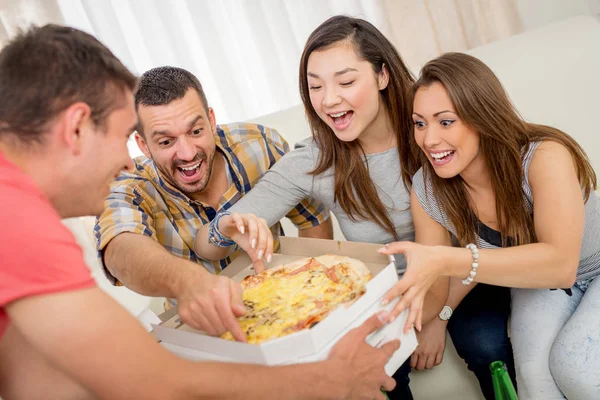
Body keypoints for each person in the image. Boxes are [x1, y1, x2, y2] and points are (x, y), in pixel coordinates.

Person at [0, 24, 398, 400]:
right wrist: (330, 379)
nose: (126, 162)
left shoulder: (14, 205)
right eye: (125, 138)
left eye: (194, 131)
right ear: (76, 129)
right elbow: (155, 380)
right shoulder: (17, 221)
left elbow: (35, 382)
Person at [194, 16, 514, 399]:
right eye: (315, 87)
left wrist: (438, 318)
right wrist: (226, 226)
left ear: (382, 75)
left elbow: (490, 229)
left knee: (485, 344)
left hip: (470, 272)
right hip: (391, 292)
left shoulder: (431, 125)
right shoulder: (314, 160)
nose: (329, 99)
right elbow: (207, 245)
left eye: (345, 82)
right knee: (372, 368)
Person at [380, 52, 600, 399]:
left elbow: (560, 266)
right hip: (544, 285)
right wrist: (390, 316)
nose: (429, 140)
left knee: (574, 366)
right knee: (532, 380)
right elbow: (436, 290)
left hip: (584, 268)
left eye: (445, 122)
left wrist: (446, 259)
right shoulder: (427, 186)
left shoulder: (544, 156)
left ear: (480, 116)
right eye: (419, 123)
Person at [94, 66, 333, 340]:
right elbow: (120, 251)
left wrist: (316, 295)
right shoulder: (129, 186)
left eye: (196, 131)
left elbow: (312, 218)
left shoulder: (262, 144)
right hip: (202, 337)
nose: (186, 153)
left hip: (287, 312)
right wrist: (190, 282)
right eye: (166, 141)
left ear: (211, 119)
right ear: (144, 145)